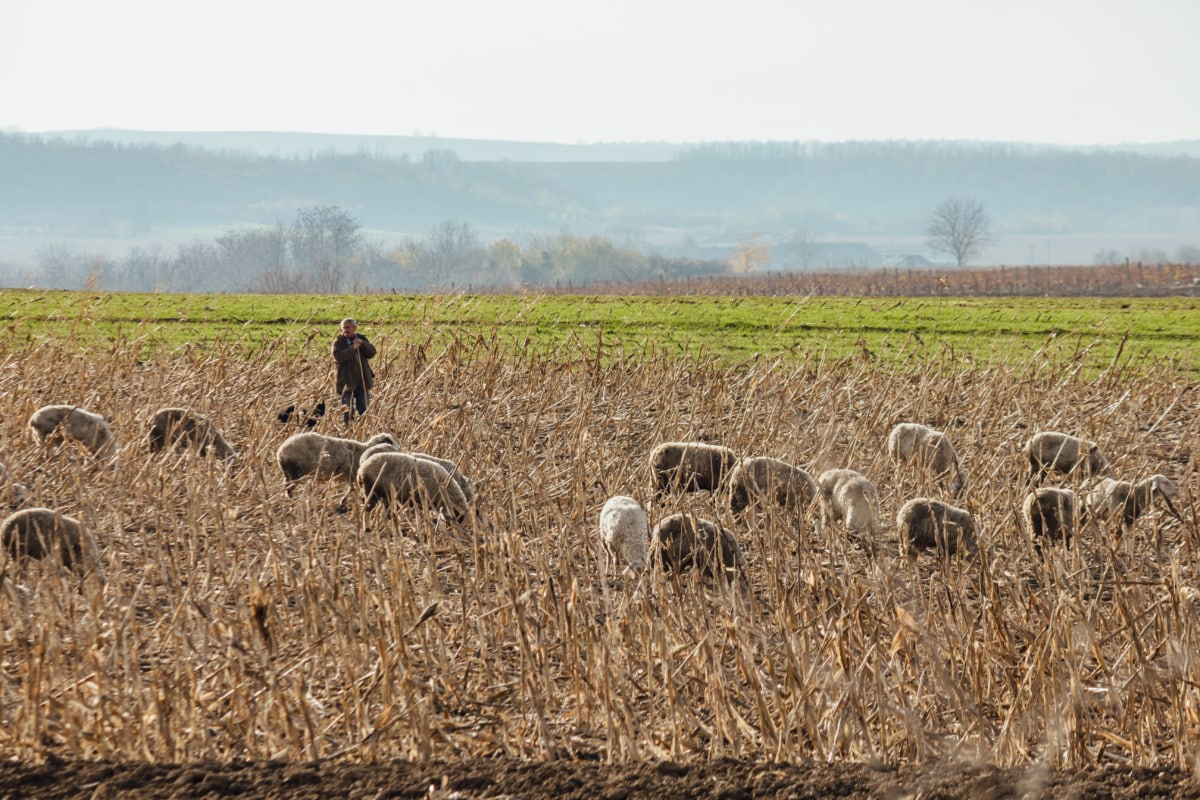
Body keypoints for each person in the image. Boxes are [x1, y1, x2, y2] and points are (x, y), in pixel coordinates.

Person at [332, 318, 376, 422]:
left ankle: (364, 431)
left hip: (362, 381)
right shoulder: (338, 342)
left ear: (354, 328)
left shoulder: (361, 338)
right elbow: (338, 357)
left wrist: (363, 344)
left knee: (364, 411)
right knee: (347, 412)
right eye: (344, 328)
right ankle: (348, 431)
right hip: (346, 383)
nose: (346, 330)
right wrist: (353, 348)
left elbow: (372, 353)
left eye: (348, 327)